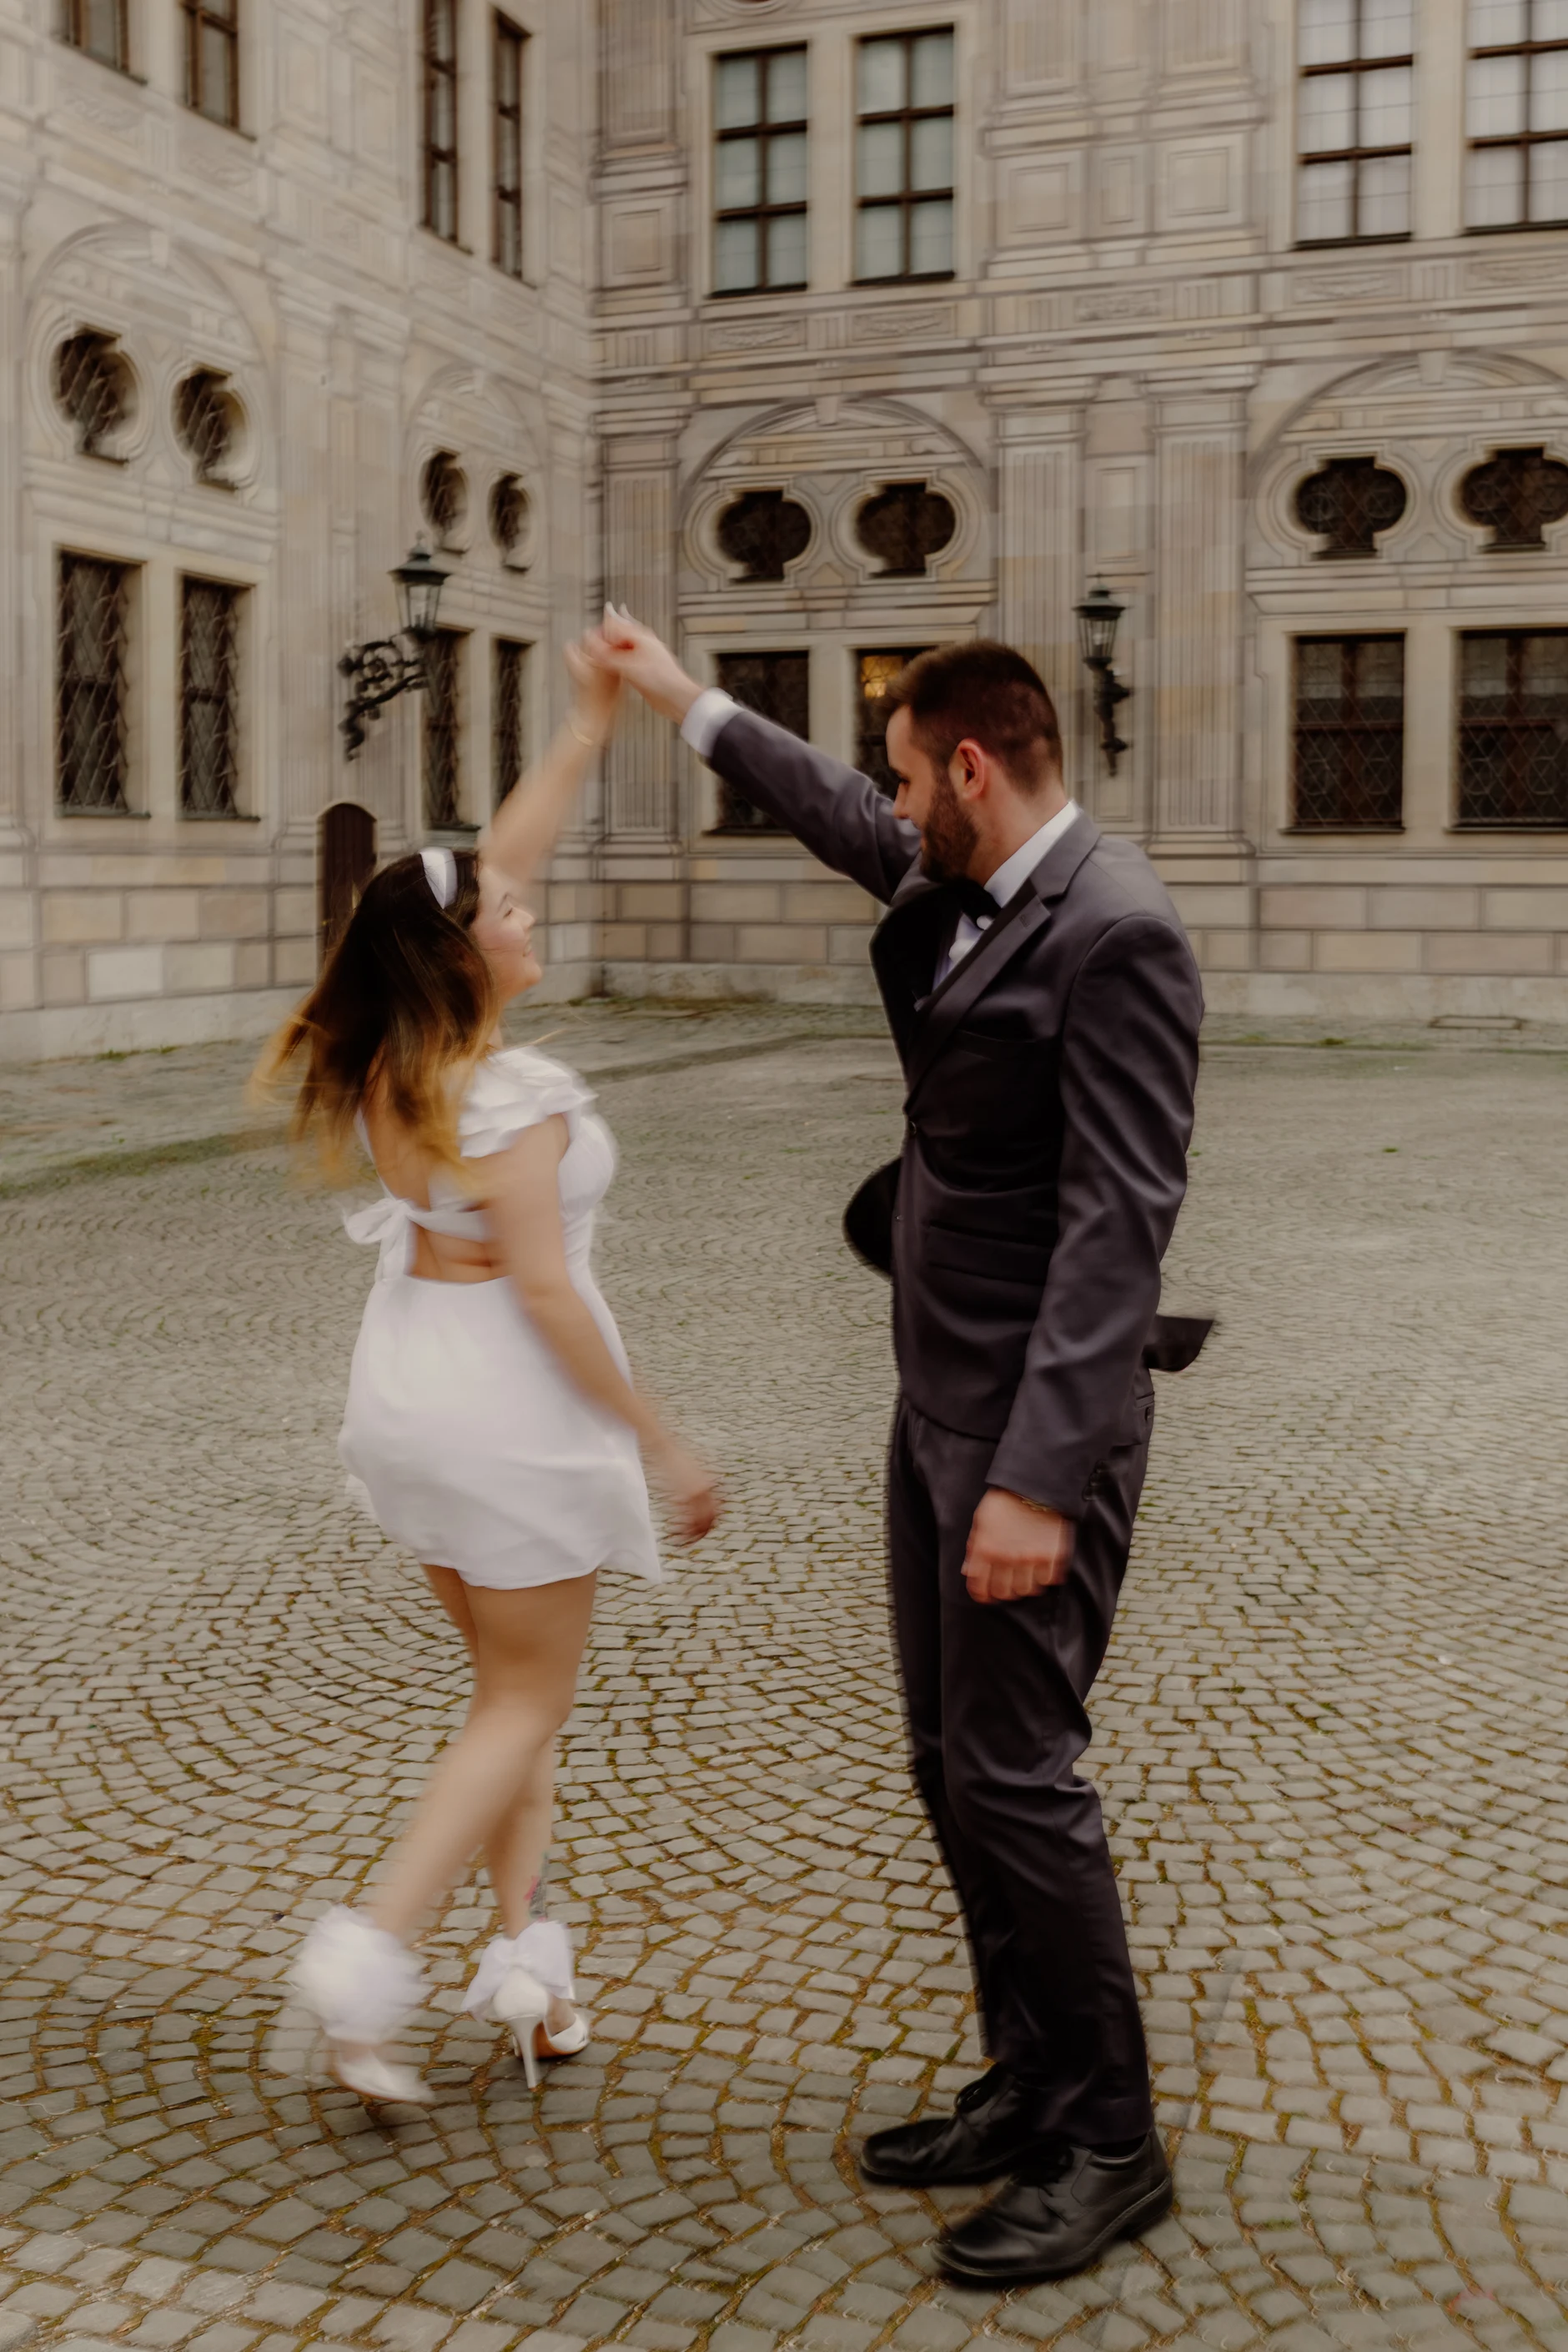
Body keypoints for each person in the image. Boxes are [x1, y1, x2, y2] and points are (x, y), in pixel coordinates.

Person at [588, 615, 1202, 2284]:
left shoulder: (1117, 935)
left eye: (911, 773)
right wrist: (676, 696)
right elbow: (834, 815)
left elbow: (1116, 1226)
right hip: (934, 1400)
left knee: (1019, 1775)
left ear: (978, 771)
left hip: (1024, 1437)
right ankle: (1029, 2077)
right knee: (953, 1765)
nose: (892, 801)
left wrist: (1036, 1478)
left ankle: (1109, 2139)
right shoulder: (963, 881)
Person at [259, 640, 717, 2106]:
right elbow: (546, 1294)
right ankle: (369, 1949)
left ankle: (529, 1966)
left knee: (510, 1695)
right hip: (507, 1411)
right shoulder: (514, 1092)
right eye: (513, 913)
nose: (531, 906)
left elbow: (482, 862)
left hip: (411, 1398)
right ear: (471, 953)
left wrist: (585, 727)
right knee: (521, 1705)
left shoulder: (405, 1052)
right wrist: (661, 1437)